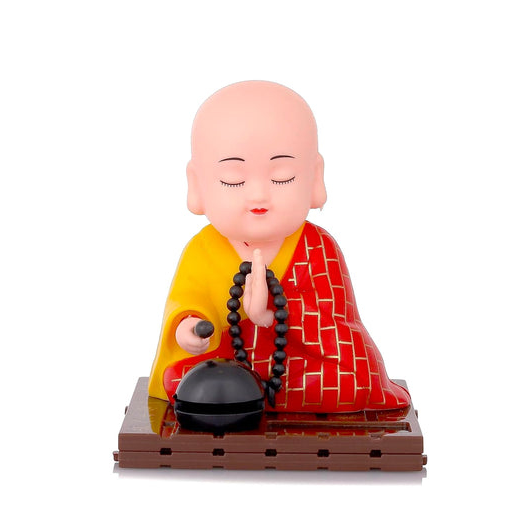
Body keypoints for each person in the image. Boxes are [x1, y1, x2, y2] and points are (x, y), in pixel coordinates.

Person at [148, 81, 410, 413]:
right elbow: (189, 304)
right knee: (186, 379)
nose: (258, 194)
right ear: (197, 186)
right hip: (229, 362)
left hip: (298, 364)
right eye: (233, 179)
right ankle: (241, 396)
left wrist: (271, 312)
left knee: (357, 382)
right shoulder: (203, 249)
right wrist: (190, 330)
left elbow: (339, 332)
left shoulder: (318, 246)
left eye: (282, 177)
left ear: (315, 178)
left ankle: (246, 400)